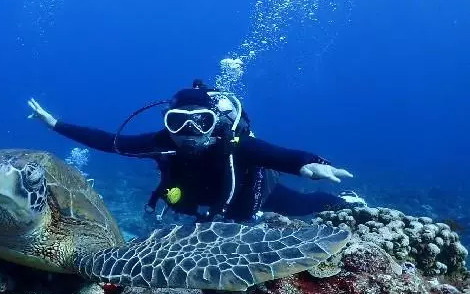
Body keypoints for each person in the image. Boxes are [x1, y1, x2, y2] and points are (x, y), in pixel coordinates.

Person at [27, 79, 365, 223]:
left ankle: (345, 201)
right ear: (167, 123)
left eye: (201, 121)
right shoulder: (161, 142)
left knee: (303, 206)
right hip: (198, 208)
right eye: (178, 122)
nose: (189, 132)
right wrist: (56, 124)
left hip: (251, 199)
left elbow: (280, 155)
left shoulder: (234, 144)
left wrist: (313, 164)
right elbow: (106, 141)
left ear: (215, 121)